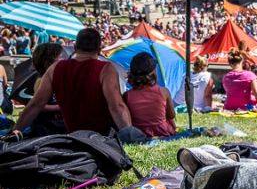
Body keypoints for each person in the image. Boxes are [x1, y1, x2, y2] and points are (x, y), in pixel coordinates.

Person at [6, 28, 137, 141]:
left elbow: (35, 104)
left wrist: (14, 131)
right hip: (101, 136)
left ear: (75, 47)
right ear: (99, 49)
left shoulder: (56, 68)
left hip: (72, 134)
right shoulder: (106, 69)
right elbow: (117, 106)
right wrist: (129, 135)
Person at [123, 52, 176, 138]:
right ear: (153, 71)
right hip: (162, 131)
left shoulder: (127, 95)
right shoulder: (164, 91)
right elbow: (171, 115)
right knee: (169, 120)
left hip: (139, 133)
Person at [27, 42, 65, 136]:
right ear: (49, 60)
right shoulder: (41, 80)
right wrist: (58, 107)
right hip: (46, 126)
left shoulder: (57, 77)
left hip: (58, 123)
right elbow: (39, 106)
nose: (63, 59)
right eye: (60, 56)